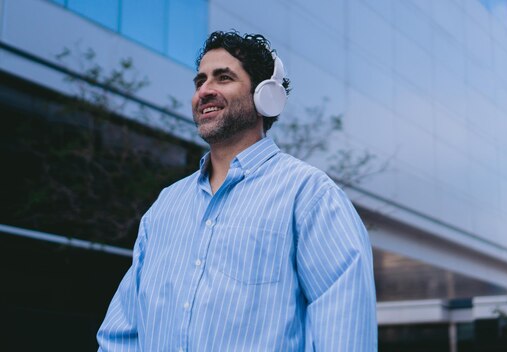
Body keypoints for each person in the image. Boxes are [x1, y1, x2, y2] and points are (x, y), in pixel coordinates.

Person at [97, 30, 377, 351]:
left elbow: (344, 335)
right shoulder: (165, 206)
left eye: (223, 78)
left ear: (265, 96)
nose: (205, 90)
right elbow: (120, 336)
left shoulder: (310, 195)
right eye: (199, 81)